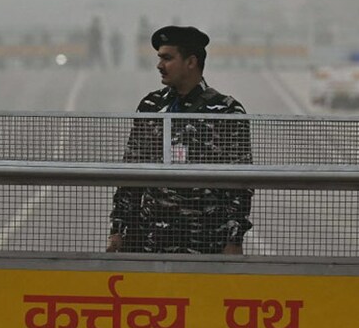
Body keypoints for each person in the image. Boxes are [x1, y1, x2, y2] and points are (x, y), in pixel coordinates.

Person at [108, 25, 253, 254]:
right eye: (159, 58)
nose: (159, 65)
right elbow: (130, 173)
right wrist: (118, 228)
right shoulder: (151, 107)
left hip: (205, 244)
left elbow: (241, 184)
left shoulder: (225, 111)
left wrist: (234, 240)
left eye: (167, 58)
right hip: (149, 242)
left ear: (191, 62)